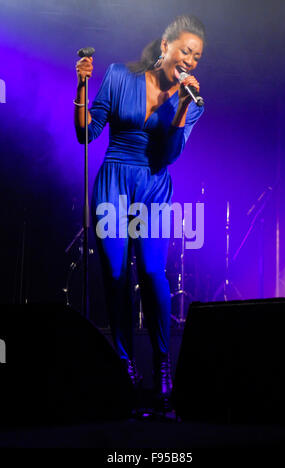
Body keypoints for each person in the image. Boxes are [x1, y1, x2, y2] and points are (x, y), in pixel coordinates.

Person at [74, 15, 205, 411]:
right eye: (185, 50)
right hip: (115, 181)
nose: (190, 60)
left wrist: (182, 107)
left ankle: (163, 364)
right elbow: (86, 132)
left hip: (154, 187)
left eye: (197, 56)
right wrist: (81, 85)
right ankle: (125, 366)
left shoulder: (193, 101)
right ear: (165, 46)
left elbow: (168, 155)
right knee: (115, 274)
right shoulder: (118, 76)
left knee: (151, 272)